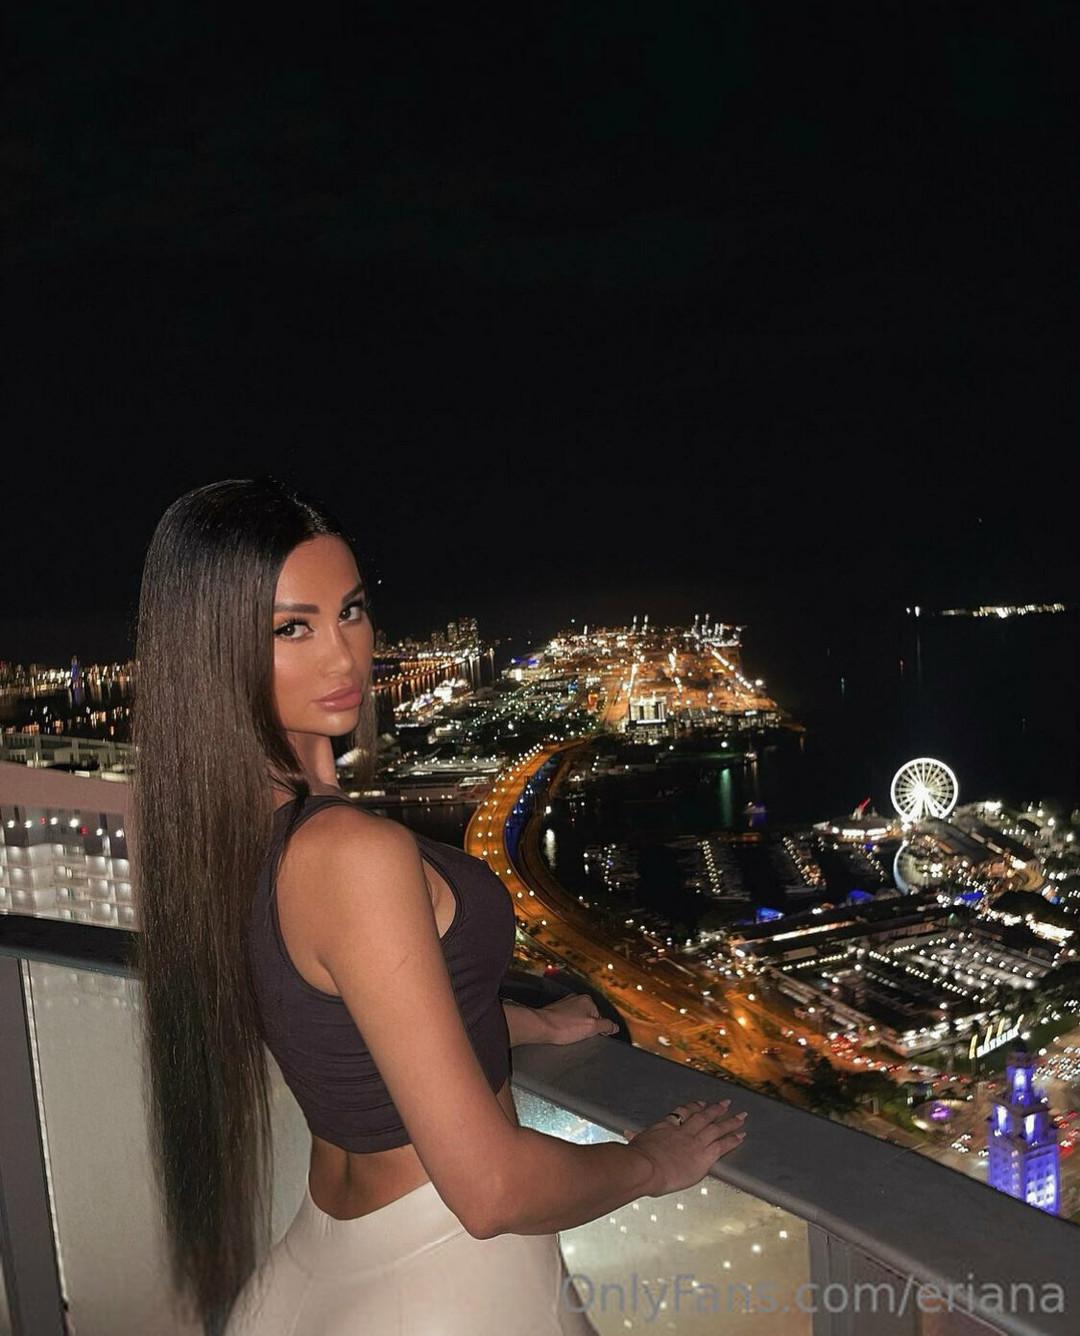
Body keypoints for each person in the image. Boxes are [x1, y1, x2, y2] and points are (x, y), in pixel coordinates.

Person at [131, 476, 749, 1336]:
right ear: (213, 651)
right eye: (291, 628)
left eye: (351, 611)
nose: (345, 657)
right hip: (452, 1285)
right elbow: (492, 1190)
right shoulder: (349, 854)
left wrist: (519, 1025)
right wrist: (649, 1162)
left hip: (312, 1267)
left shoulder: (213, 834)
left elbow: (345, 1017)